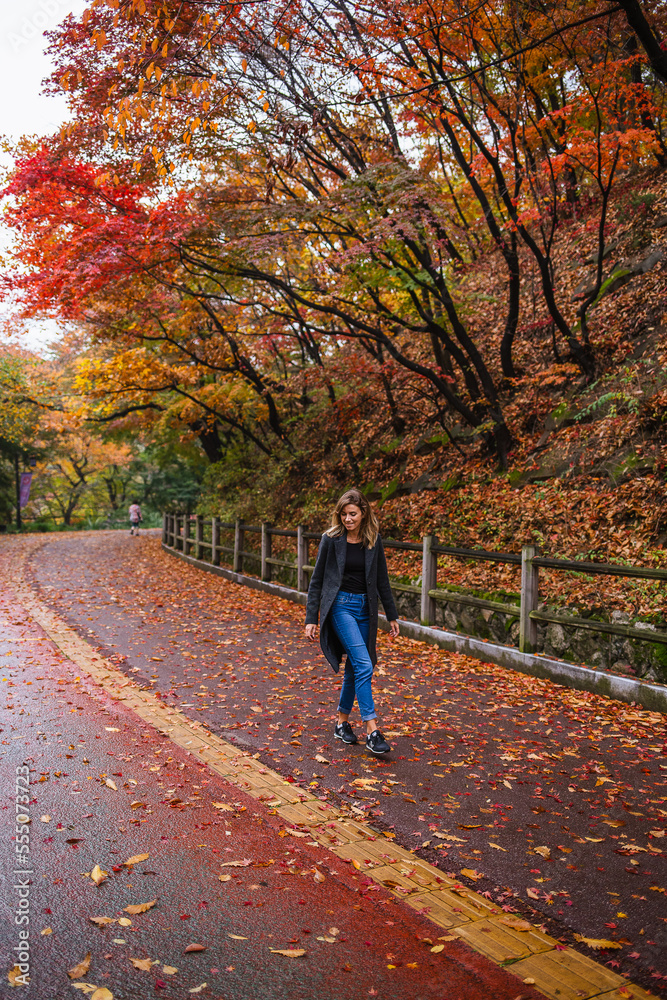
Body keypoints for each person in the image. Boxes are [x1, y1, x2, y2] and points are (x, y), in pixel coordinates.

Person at [305, 488, 400, 755]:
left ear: (363, 514)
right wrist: (311, 618)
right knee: (363, 664)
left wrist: (391, 615)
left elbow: (382, 580)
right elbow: (317, 581)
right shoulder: (331, 539)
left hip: (365, 610)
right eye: (344, 514)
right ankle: (372, 730)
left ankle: (342, 723)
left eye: (353, 514)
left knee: (354, 668)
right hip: (340, 607)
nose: (348, 519)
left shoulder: (373, 540)